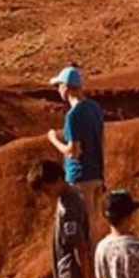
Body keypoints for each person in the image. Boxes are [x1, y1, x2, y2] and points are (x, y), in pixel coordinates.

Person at [46, 66, 107, 260]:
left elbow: (73, 152)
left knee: (82, 229)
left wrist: (53, 139)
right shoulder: (95, 108)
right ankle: (97, 274)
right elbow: (101, 141)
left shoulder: (73, 116)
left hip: (79, 177)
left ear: (66, 87)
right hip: (96, 174)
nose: (58, 90)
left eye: (58, 86)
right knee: (94, 227)